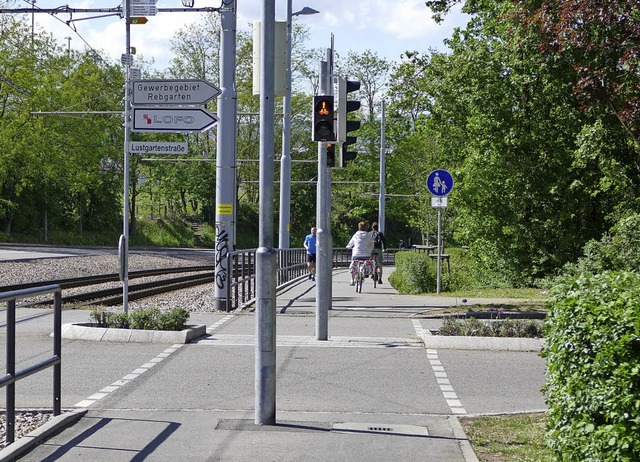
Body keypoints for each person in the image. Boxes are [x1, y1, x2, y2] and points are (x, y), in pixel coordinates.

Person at [346, 221, 374, 286]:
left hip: (356, 254)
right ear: (365, 227)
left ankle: (352, 280)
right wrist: (371, 249)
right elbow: (372, 244)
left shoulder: (356, 235)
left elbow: (351, 243)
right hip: (366, 255)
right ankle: (364, 273)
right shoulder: (368, 235)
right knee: (366, 262)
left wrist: (348, 247)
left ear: (359, 227)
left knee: (354, 265)